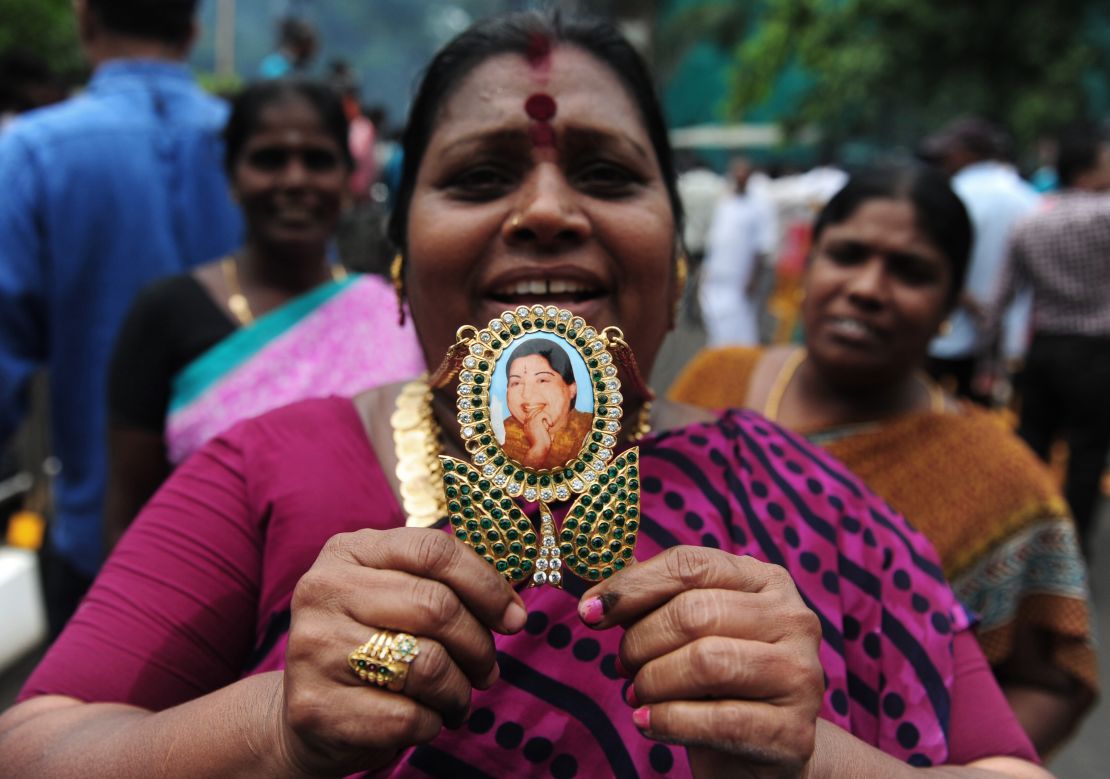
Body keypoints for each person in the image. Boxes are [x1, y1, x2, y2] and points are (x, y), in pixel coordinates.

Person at [0, 13, 1049, 777]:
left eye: (605, 173)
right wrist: (270, 722)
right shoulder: (270, 466)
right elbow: (38, 741)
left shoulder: (798, 493)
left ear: (675, 262)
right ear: (403, 258)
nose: (546, 208)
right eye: (478, 175)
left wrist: (809, 755)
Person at [670, 165, 1097, 755]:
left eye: (911, 271)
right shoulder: (712, 381)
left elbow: (1054, 679)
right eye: (847, 255)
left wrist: (931, 767)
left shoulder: (1002, 480)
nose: (868, 288)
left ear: (951, 304)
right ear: (808, 265)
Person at [0, 0, 242, 636]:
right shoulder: (271, 148)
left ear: (85, 21)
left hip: (104, 537)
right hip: (255, 539)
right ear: (193, 30)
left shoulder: (30, 154)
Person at [103, 80, 425, 550]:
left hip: (386, 608)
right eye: (269, 159)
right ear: (233, 177)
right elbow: (127, 521)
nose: (295, 180)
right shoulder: (166, 313)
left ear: (347, 177)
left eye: (317, 160)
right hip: (212, 610)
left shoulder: (390, 310)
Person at [985, 125, 1110, 557]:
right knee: (1087, 452)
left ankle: (1025, 538)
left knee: (1034, 444)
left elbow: (1001, 298)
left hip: (1045, 349)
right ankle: (1071, 548)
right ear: (1090, 169)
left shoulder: (1032, 222)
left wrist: (992, 357)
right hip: (1096, 351)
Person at [919, 117, 1040, 403]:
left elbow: (929, 258)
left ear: (969, 152)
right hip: (1006, 336)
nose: (943, 158)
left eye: (949, 150)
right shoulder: (1028, 197)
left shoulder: (954, 194)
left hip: (946, 331)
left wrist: (970, 301)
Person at [698, 156, 776, 346]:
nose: (740, 177)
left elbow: (761, 246)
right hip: (717, 271)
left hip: (740, 275)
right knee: (714, 317)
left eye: (743, 173)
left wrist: (754, 277)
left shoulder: (758, 206)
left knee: (741, 323)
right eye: (736, 173)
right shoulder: (725, 203)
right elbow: (716, 239)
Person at [499, 339, 592, 469]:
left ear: (572, 388)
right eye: (516, 383)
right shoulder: (499, 436)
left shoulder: (591, 427)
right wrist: (538, 449)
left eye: (542, 380)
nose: (527, 394)